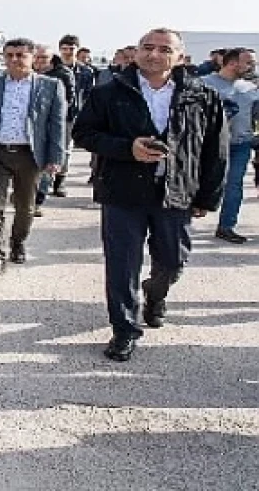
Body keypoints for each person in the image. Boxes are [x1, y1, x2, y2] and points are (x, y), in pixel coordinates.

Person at [73, 28, 227, 362]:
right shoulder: (110, 92)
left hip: (176, 194)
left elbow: (216, 149)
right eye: (147, 47)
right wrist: (127, 148)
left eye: (164, 49)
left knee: (172, 261)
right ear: (136, 52)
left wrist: (207, 197)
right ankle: (124, 330)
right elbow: (83, 133)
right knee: (122, 265)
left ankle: (155, 294)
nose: (154, 54)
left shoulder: (201, 95)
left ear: (180, 57)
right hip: (123, 193)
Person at [0, 38, 67, 280]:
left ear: (33, 58)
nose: (14, 60)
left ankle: (18, 242)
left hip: (29, 156)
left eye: (20, 55)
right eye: (9, 55)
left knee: (25, 207)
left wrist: (55, 158)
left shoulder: (51, 86)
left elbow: (57, 125)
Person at [201, 47, 259, 244]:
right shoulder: (204, 85)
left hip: (240, 145)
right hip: (209, 146)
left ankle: (226, 227)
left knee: (234, 185)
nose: (253, 66)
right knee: (197, 183)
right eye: (249, 62)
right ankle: (180, 222)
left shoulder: (250, 89)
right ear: (233, 63)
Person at [35, 44, 78, 205]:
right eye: (36, 57)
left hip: (60, 121)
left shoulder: (63, 74)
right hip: (35, 122)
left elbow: (68, 99)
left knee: (56, 154)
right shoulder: (29, 73)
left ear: (51, 58)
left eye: (43, 58)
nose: (39, 61)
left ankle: (44, 191)